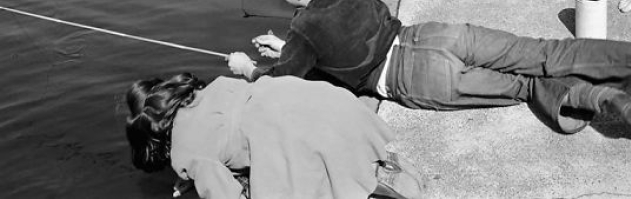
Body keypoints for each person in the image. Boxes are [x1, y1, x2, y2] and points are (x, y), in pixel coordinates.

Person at [227, 0, 631, 140]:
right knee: (544, 52)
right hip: (432, 35)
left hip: (411, 76)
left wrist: (252, 68)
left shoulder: (302, 28)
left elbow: (286, 82)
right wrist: (288, 48)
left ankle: (606, 96)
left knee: (523, 86)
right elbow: (357, 32)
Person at [125, 72, 423, 199]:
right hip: (331, 103)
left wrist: (200, 177)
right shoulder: (214, 88)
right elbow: (228, 133)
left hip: (300, 140)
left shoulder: (184, 155)